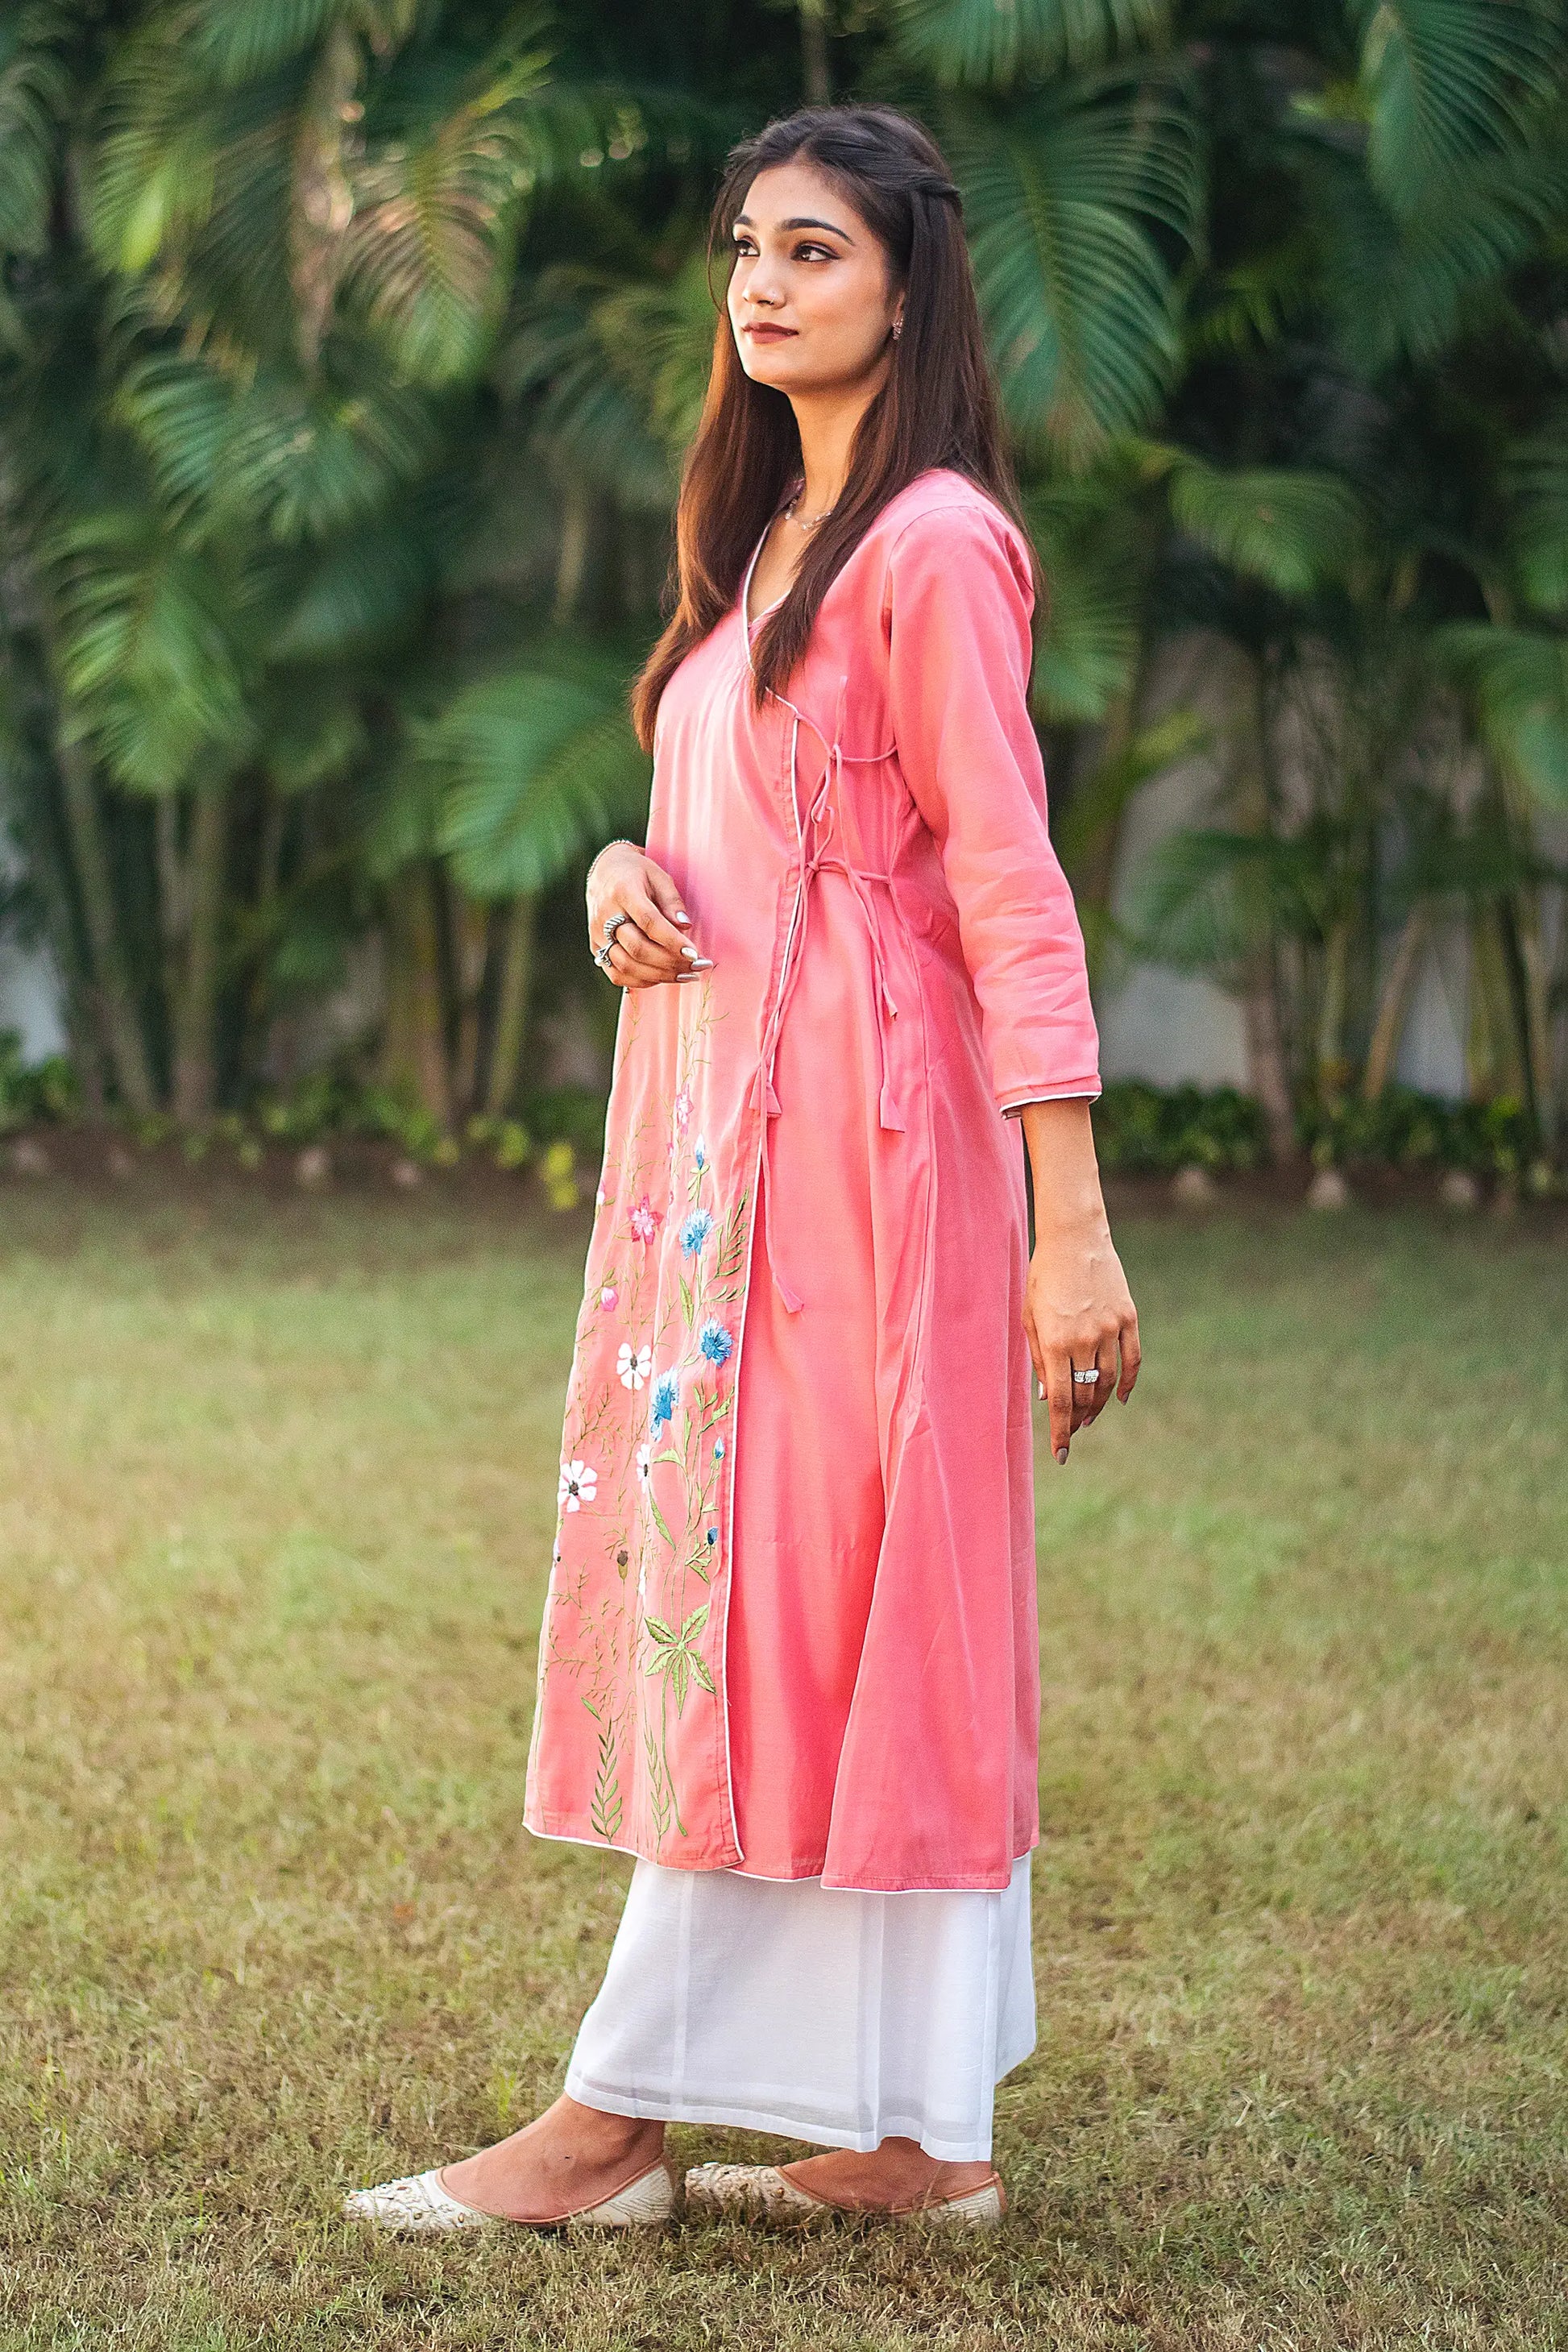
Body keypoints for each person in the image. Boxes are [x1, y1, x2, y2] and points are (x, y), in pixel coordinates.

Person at [346, 98, 1139, 2238]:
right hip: (718, 1154)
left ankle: (614, 2122)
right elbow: (720, 821)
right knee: (797, 1615)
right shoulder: (759, 545)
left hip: (862, 1169)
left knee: (785, 1616)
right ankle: (912, 2133)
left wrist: (1070, 1233)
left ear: (907, 285)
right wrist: (620, 867)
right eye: (746, 247)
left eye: (813, 250)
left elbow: (1007, 885)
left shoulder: (935, 541)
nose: (762, 285)